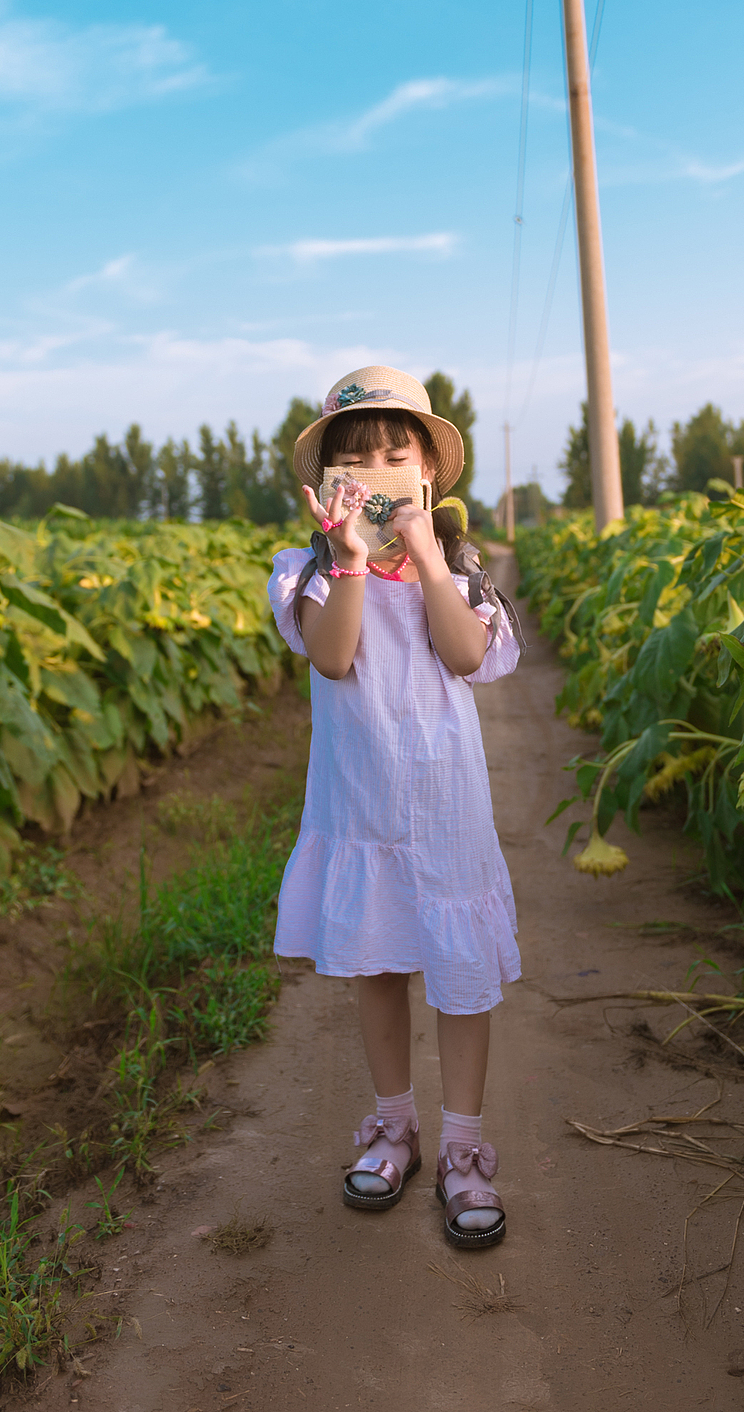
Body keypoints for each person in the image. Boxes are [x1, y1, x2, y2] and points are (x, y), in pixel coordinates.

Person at [267, 365, 522, 1248]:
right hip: (362, 808)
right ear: (329, 486)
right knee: (378, 962)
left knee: (457, 975)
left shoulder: (459, 569)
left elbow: (465, 656)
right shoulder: (303, 571)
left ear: (426, 475)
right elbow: (334, 658)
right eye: (354, 460)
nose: (374, 470)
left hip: (448, 806)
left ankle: (462, 1144)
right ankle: (393, 1125)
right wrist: (347, 565)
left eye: (391, 453)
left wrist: (423, 558)